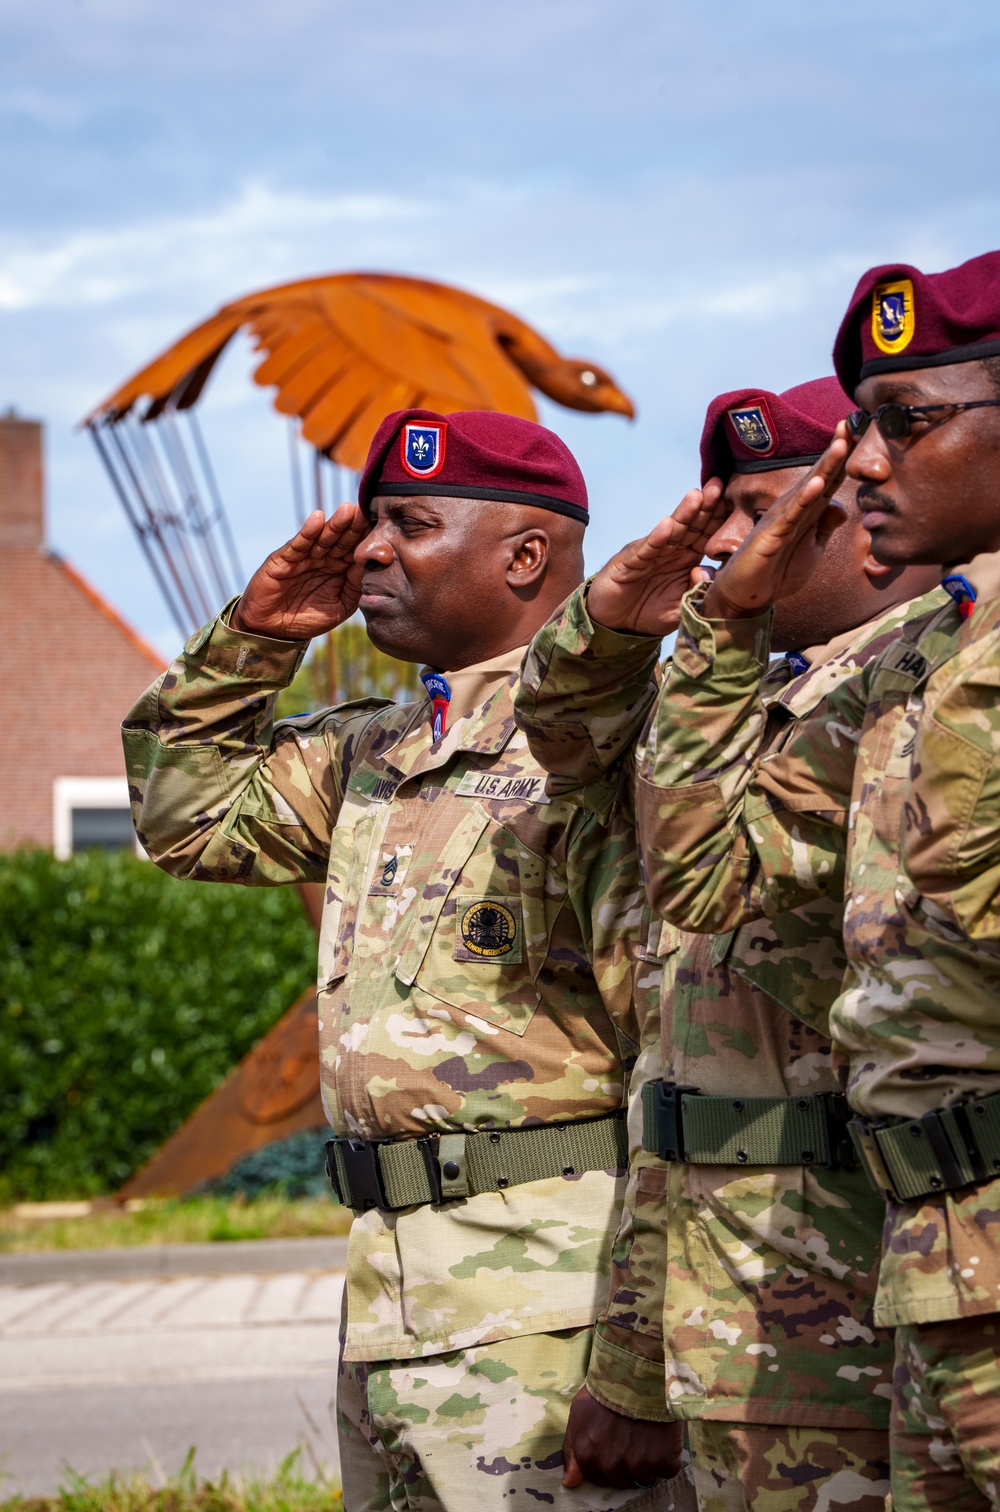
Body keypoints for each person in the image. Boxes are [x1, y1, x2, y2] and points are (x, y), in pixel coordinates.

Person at [122, 407, 692, 1512]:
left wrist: (637, 1365)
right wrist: (256, 634)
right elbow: (183, 817)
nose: (370, 549)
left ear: (526, 557)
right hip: (387, 1289)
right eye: (374, 522)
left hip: (549, 1311)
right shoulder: (378, 750)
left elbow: (675, 1068)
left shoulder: (609, 750)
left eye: (410, 524)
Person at [516, 377, 943, 1512]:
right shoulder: (742, 704)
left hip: (854, 1291)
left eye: (767, 511)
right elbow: (564, 735)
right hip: (730, 1299)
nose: (727, 550)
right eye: (722, 518)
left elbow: (716, 887)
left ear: (867, 517)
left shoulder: (911, 689)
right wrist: (622, 609)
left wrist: (714, 635)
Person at [619, 250, 1000, 1512]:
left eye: (908, 421)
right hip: (932, 1259)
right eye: (865, 425)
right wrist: (723, 629)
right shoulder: (911, 662)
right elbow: (708, 876)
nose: (872, 460)